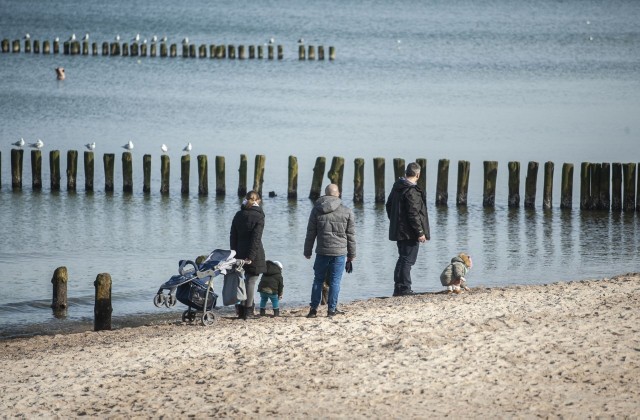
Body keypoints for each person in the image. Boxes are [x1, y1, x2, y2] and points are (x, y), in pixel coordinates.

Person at [304, 184, 356, 318]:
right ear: (338, 194)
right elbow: (351, 235)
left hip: (322, 251)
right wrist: (352, 254)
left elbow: (311, 233)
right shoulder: (347, 211)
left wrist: (307, 251)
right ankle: (331, 310)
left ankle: (313, 309)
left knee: (318, 280)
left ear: (325, 194)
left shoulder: (316, 210)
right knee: (335, 281)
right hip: (339, 252)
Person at [386, 162, 430, 296]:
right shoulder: (411, 191)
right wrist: (420, 232)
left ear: (406, 173)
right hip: (409, 232)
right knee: (408, 260)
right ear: (417, 174)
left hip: (400, 230)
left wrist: (395, 222)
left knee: (403, 258)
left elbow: (388, 206)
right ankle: (404, 288)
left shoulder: (397, 187)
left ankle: (399, 287)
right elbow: (414, 214)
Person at [230, 190, 267, 319]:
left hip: (239, 251)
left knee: (241, 280)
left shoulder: (238, 214)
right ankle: (248, 310)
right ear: (258, 201)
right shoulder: (259, 216)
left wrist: (233, 253)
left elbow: (233, 236)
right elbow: (256, 238)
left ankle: (240, 309)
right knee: (251, 280)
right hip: (254, 253)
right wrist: (251, 257)